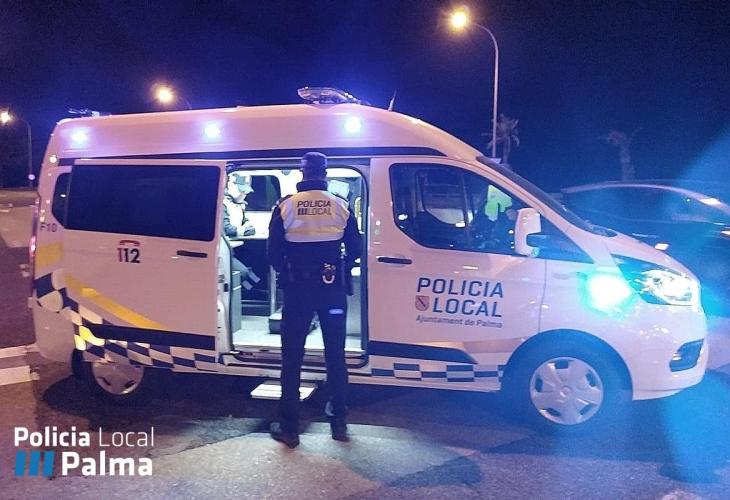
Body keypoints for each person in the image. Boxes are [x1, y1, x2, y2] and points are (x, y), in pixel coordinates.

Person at [267, 152, 362, 447]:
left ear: (302, 173)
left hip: (298, 291)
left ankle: (289, 427)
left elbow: (273, 254)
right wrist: (338, 262)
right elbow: (356, 249)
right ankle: (339, 422)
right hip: (331, 289)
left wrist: (290, 268)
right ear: (325, 174)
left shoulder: (285, 206)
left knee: (292, 356)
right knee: (335, 354)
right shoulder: (340, 205)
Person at [223, 172, 256, 239]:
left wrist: (248, 226)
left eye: (246, 193)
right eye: (241, 191)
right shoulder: (222, 204)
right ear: (230, 186)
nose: (243, 195)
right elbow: (227, 229)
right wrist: (246, 230)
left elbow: (245, 221)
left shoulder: (239, 204)